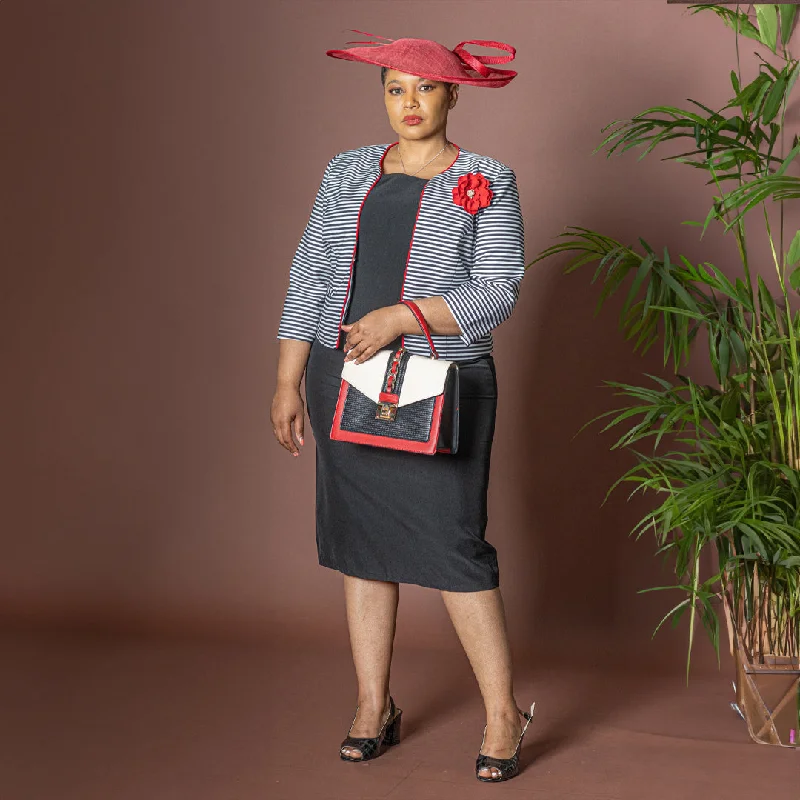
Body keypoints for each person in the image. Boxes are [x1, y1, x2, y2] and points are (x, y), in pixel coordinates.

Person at [271, 31, 534, 783]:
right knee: (360, 545)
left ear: (455, 95)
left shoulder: (488, 177)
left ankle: (502, 714)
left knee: (456, 549)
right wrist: (287, 379)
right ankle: (371, 705)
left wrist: (402, 316)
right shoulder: (346, 171)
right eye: (394, 89)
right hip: (339, 373)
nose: (408, 103)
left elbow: (497, 289)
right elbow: (311, 274)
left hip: (438, 379)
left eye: (423, 88)